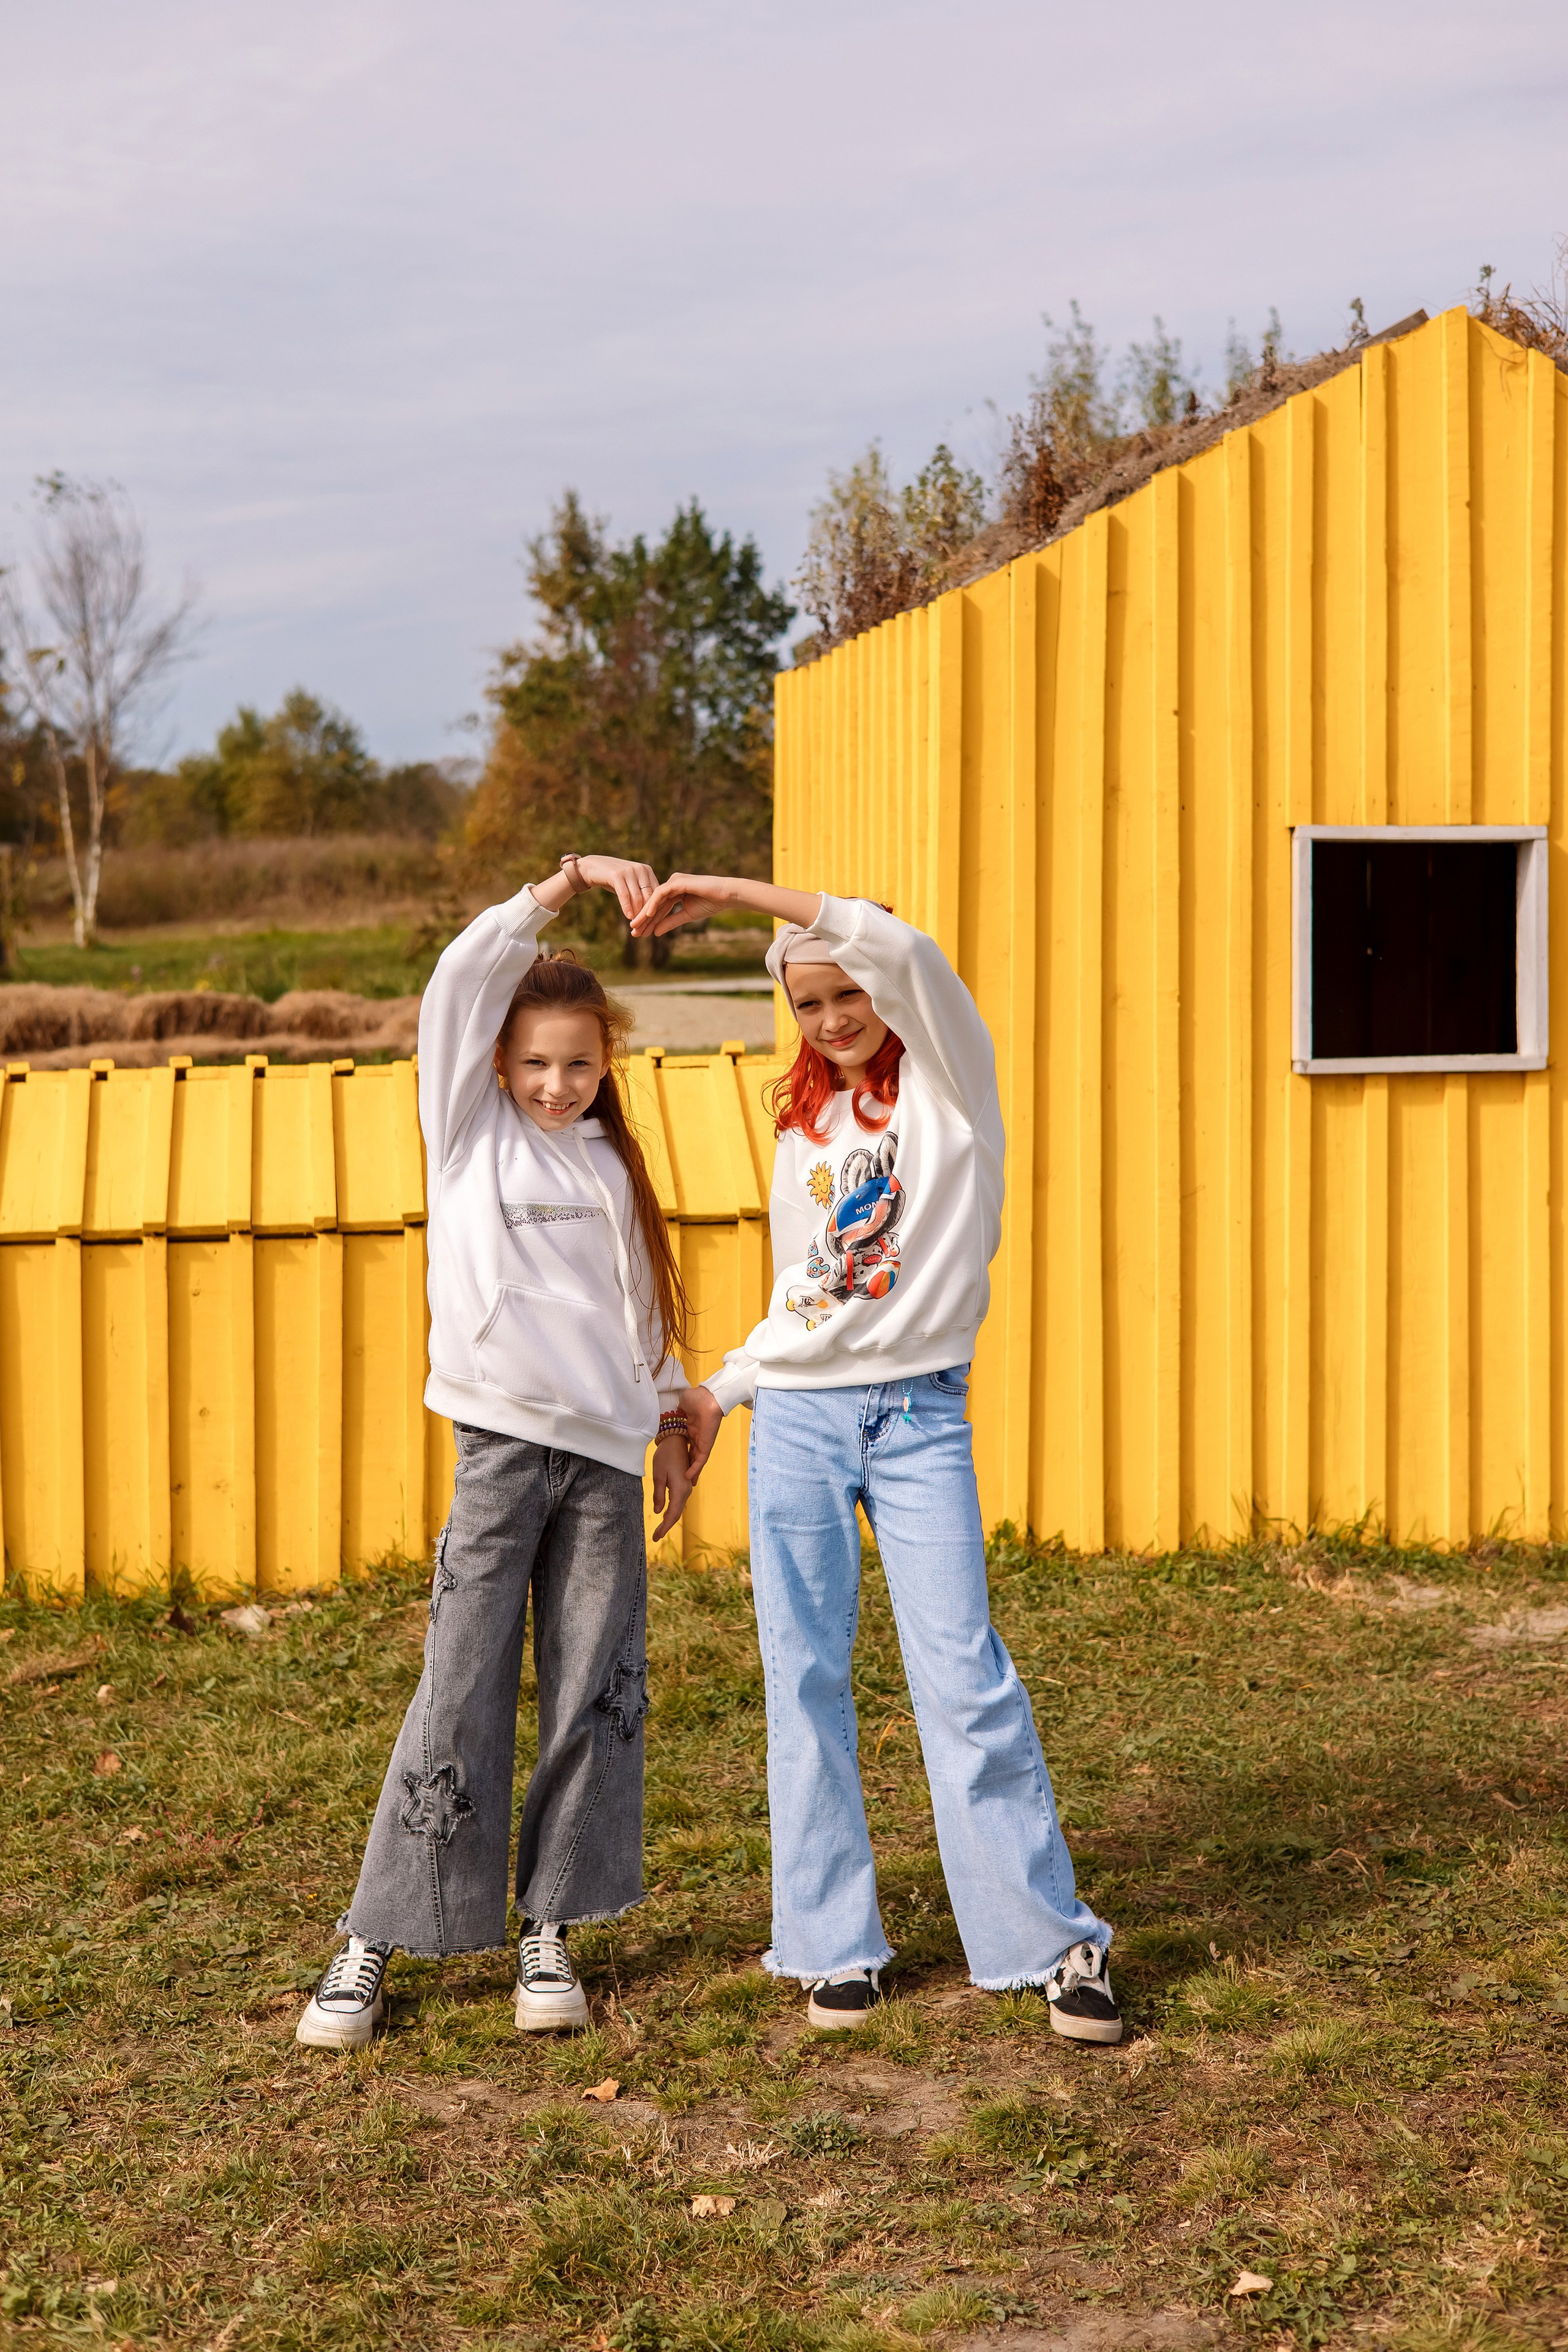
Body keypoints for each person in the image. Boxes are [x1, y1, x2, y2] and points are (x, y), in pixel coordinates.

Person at [632, 874, 1121, 2044]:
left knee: (962, 1671)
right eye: (808, 1003)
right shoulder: (805, 1123)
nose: (833, 1017)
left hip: (917, 1418)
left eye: (849, 992)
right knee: (802, 1677)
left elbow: (899, 943)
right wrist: (722, 1391)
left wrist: (716, 889)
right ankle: (830, 1945)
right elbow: (809, 1295)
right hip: (798, 1418)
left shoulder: (951, 1081)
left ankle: (1049, 1942)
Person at [297, 853, 707, 2051]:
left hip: (601, 1468)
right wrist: (560, 885)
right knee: (459, 1685)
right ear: (492, 1063)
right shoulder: (465, 1132)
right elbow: (457, 978)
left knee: (595, 1688)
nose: (555, 1084)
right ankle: (374, 1937)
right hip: (501, 1453)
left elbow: (639, 1314)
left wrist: (676, 1416)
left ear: (604, 1066)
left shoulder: (609, 1165)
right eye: (534, 1062)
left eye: (578, 1064)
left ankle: (550, 1929)